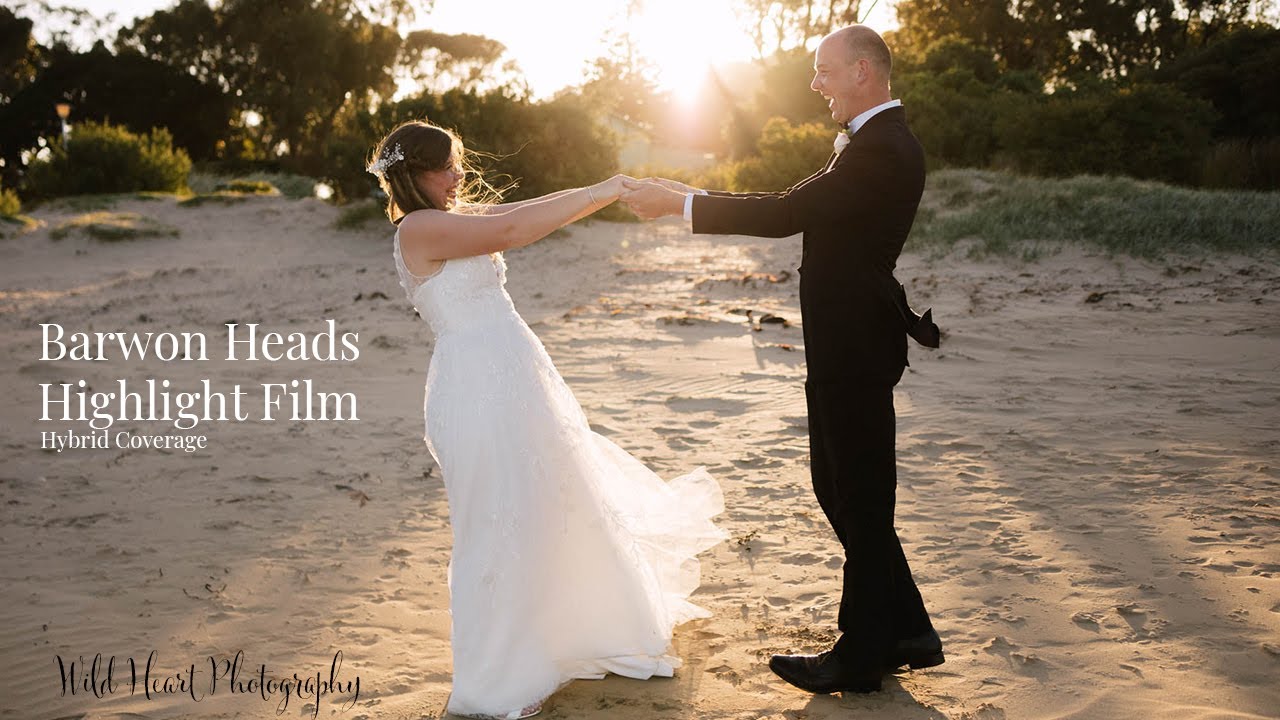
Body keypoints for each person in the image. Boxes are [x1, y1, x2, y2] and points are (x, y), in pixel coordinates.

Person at [620, 24, 943, 695]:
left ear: (862, 71)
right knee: (843, 490)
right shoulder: (867, 145)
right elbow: (792, 205)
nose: (817, 85)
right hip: (841, 342)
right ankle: (906, 628)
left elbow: (786, 211)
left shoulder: (883, 148)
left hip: (856, 344)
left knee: (859, 495)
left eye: (825, 71)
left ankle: (863, 653)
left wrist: (679, 203)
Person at [370, 120, 728, 719]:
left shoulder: (450, 217)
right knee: (499, 515)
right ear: (416, 173)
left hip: (516, 372)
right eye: (448, 165)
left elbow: (518, 210)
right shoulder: (421, 227)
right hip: (477, 384)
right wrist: (605, 193)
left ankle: (574, 632)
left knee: (550, 499)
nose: (459, 174)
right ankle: (500, 672)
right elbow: (511, 230)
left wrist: (606, 186)